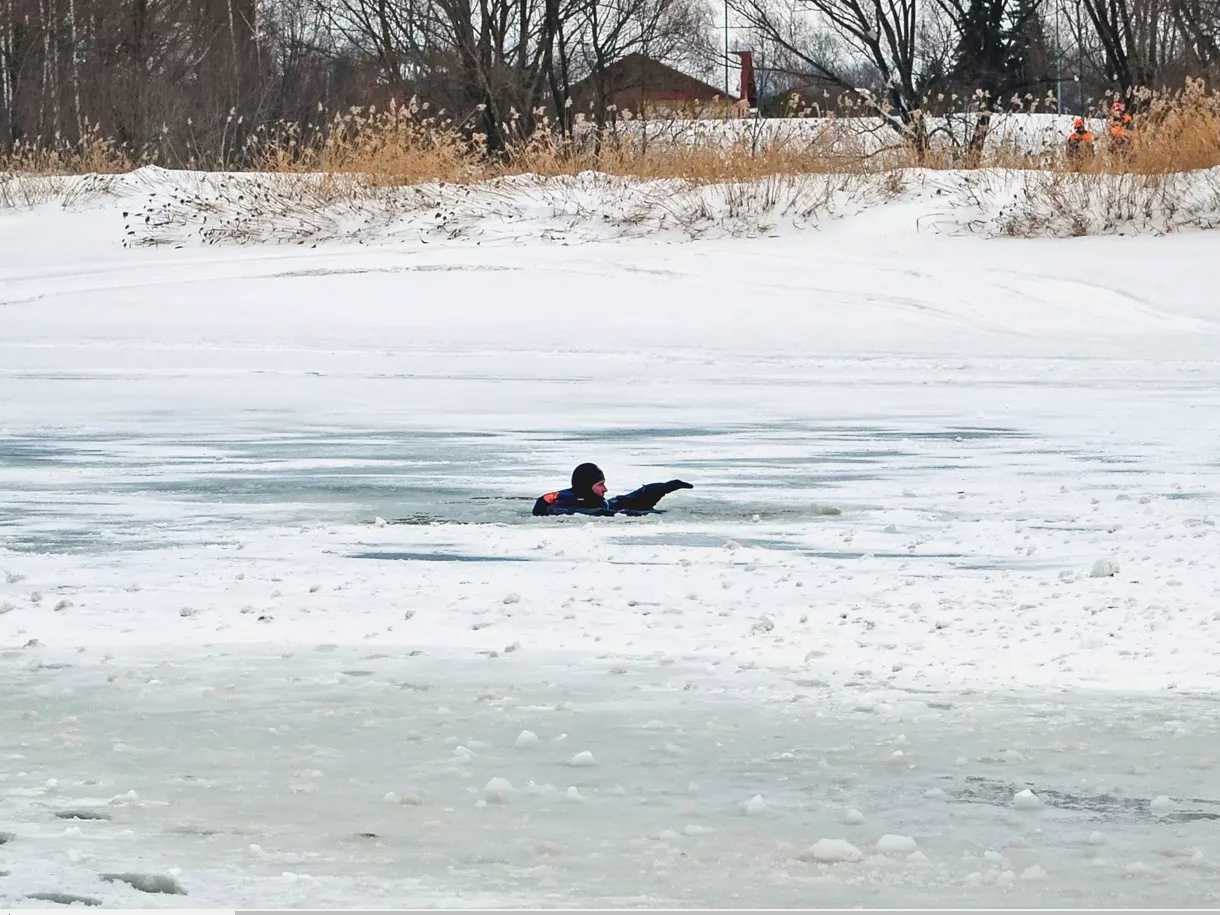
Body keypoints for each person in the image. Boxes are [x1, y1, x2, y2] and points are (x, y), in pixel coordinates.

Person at [532, 462, 693, 516]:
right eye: (600, 485)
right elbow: (543, 507)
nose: (605, 489)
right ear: (586, 487)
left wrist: (663, 488)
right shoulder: (564, 503)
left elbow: (632, 499)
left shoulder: (602, 504)